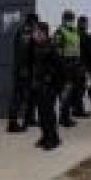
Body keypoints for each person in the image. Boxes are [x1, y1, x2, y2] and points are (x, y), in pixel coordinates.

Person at [30, 21, 63, 150]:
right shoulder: (37, 46)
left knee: (48, 113)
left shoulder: (51, 47)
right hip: (39, 85)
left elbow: (59, 67)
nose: (34, 34)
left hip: (49, 86)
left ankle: (53, 138)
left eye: (36, 31)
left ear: (42, 33)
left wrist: (51, 80)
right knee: (41, 113)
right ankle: (45, 136)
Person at [7, 13, 39, 133]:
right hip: (23, 70)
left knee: (30, 96)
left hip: (27, 70)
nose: (36, 25)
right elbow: (23, 51)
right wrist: (23, 69)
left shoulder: (29, 31)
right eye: (36, 22)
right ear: (32, 21)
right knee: (18, 97)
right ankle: (12, 124)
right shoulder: (25, 31)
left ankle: (29, 119)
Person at [53, 10, 83, 127]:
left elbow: (77, 49)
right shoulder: (60, 32)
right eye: (68, 19)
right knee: (65, 92)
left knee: (72, 93)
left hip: (75, 65)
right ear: (63, 20)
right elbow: (57, 51)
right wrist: (63, 66)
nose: (70, 21)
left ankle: (67, 116)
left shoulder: (75, 32)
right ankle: (63, 118)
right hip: (65, 66)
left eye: (72, 19)